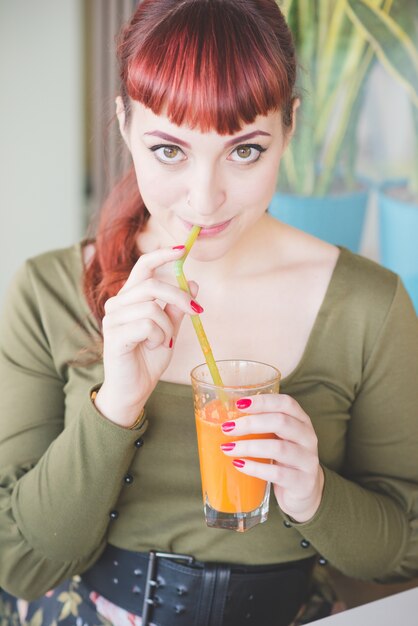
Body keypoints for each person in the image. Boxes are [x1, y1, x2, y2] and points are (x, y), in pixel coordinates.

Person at [1, 1, 418, 625]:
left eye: (245, 151)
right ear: (123, 121)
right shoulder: (48, 289)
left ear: (289, 126)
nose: (205, 198)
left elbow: (401, 557)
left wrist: (316, 495)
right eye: (169, 150)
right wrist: (115, 404)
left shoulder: (369, 306)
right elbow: (23, 561)